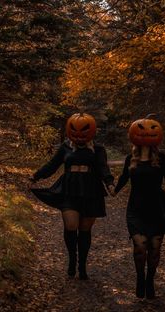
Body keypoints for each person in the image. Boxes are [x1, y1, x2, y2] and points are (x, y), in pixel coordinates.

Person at [113, 114, 165, 299]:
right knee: (140, 246)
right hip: (136, 208)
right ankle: (140, 278)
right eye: (141, 131)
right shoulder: (130, 159)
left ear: (156, 136)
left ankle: (150, 279)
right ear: (134, 135)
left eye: (151, 132)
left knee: (154, 248)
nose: (145, 136)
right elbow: (123, 178)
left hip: (157, 207)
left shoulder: (162, 158)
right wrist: (114, 191)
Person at [30, 113, 115, 280]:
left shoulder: (98, 149)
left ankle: (82, 265)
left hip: (91, 191)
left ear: (92, 131)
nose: (79, 135)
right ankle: (72, 259)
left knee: (84, 230)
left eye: (84, 131)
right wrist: (35, 176)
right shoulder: (65, 147)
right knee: (71, 225)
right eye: (75, 131)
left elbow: (103, 168)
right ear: (70, 130)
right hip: (69, 189)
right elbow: (52, 165)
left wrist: (110, 183)